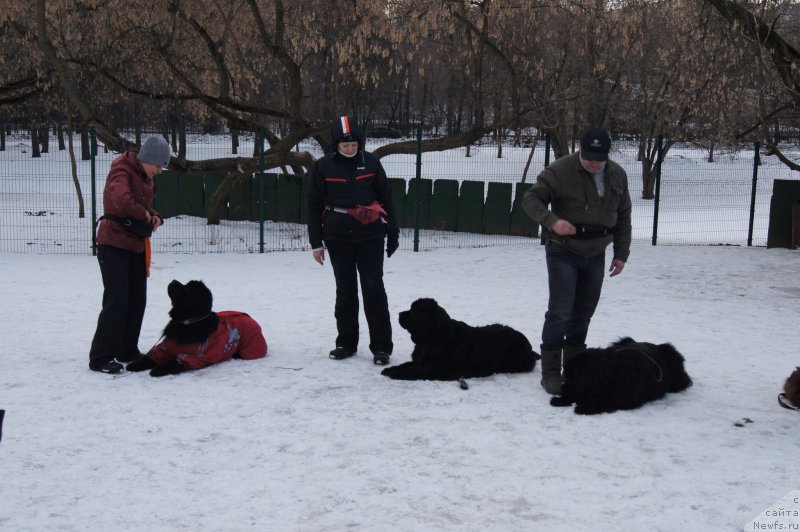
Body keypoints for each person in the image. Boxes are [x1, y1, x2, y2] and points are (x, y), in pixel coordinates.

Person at [522, 127, 632, 395]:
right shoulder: (560, 170)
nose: (595, 162)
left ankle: (574, 367)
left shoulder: (617, 174)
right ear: (580, 149)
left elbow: (624, 215)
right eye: (590, 156)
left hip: (596, 252)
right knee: (560, 311)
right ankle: (550, 371)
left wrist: (621, 253)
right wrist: (552, 221)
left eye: (600, 157)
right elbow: (531, 198)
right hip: (563, 250)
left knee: (583, 313)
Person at [307, 116, 400, 366]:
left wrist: (392, 231)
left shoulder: (371, 163)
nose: (350, 149)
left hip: (370, 235)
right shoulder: (323, 167)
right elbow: (314, 205)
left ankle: (381, 347)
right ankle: (345, 343)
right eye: (344, 145)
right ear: (335, 145)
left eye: (354, 145)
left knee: (373, 288)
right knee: (345, 290)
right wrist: (316, 242)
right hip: (338, 237)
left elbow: (386, 197)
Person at [88, 136, 170, 374]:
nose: (160, 170)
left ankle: (127, 349)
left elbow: (139, 204)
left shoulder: (145, 175)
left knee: (137, 299)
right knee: (117, 300)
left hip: (135, 244)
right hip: (113, 243)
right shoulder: (121, 171)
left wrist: (154, 216)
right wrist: (145, 216)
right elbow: (122, 200)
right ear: (148, 159)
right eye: (159, 165)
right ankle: (101, 356)